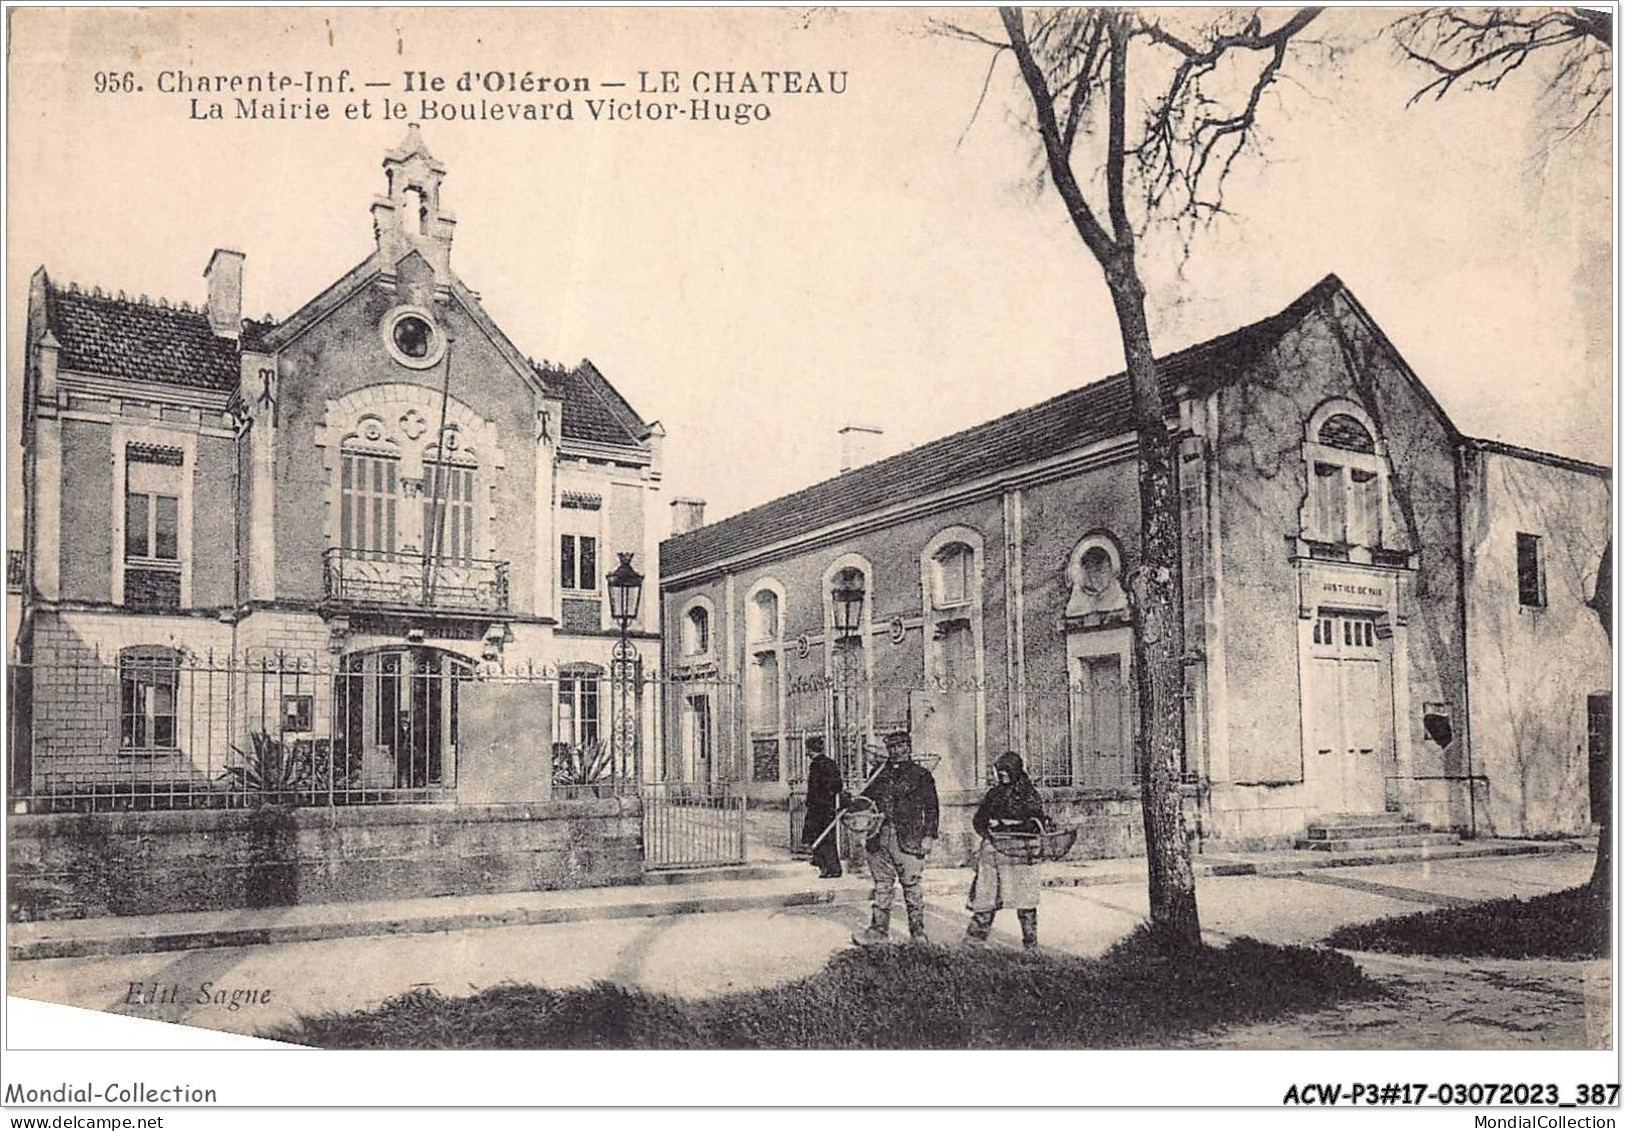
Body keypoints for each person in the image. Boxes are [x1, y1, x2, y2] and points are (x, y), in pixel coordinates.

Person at [852, 731, 939, 946]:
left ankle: (918, 934)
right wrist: (851, 801)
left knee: (911, 886)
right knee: (882, 885)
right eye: (892, 748)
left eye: (901, 747)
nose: (897, 752)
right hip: (878, 836)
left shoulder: (921, 775)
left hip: (909, 838)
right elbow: (865, 801)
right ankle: (878, 931)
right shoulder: (878, 773)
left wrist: (928, 836)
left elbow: (932, 808)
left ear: (908, 748)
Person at [966, 751, 1048, 950]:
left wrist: (1006, 825)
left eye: (1007, 770)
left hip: (1021, 854)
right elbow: (979, 820)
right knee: (985, 898)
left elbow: (1037, 824)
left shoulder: (1029, 795)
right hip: (993, 852)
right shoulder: (993, 794)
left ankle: (1031, 946)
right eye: (1000, 770)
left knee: (1025, 900)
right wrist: (989, 831)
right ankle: (973, 945)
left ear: (1017, 770)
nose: (1002, 774)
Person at [801, 737, 846, 878]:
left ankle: (829, 868)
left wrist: (815, 800)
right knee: (824, 836)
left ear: (809, 749)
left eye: (807, 748)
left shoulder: (817, 765)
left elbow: (816, 787)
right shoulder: (830, 763)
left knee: (820, 836)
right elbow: (837, 785)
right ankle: (824, 864)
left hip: (818, 807)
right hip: (827, 806)